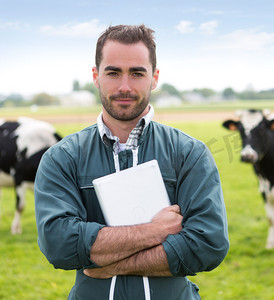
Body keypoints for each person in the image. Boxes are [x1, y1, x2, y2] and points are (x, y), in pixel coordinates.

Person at [34, 24, 229, 300]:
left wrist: (107, 264)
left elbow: (208, 245)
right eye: (113, 72)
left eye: (137, 73)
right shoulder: (62, 157)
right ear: (96, 76)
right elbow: (59, 244)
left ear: (154, 78)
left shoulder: (189, 153)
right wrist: (156, 230)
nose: (124, 86)